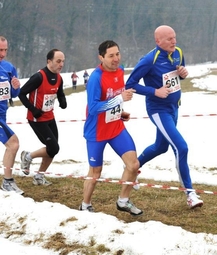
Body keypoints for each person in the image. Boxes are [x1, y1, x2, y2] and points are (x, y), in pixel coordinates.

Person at [125, 25, 203, 209]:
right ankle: (190, 193)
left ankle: (133, 168)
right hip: (158, 111)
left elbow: (177, 74)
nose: (174, 41)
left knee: (161, 147)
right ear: (158, 41)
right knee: (181, 147)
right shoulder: (148, 60)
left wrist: (182, 74)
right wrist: (154, 91)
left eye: (174, 37)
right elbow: (130, 84)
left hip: (174, 107)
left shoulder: (178, 52)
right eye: (169, 39)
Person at [81, 40, 142, 216]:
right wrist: (119, 100)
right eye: (111, 56)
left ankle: (123, 201)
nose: (116, 59)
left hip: (116, 127)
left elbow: (113, 96)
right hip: (97, 131)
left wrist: (120, 112)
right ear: (101, 57)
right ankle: (85, 205)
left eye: (117, 54)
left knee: (133, 164)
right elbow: (93, 108)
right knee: (95, 172)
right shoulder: (95, 78)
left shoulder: (120, 70)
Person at [19, 48, 67, 186]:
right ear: (49, 61)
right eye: (58, 61)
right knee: (53, 148)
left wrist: (62, 101)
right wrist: (33, 109)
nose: (61, 64)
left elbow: (60, 93)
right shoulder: (39, 77)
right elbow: (21, 94)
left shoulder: (59, 77)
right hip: (37, 119)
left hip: (50, 117)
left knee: (52, 150)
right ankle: (27, 156)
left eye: (63, 61)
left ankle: (39, 176)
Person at [0, 36, 23, 194]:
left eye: (5, 50)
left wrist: (16, 87)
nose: (3, 53)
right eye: (0, 50)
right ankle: (7, 182)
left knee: (11, 145)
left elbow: (13, 94)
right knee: (13, 144)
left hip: (3, 114)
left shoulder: (8, 67)